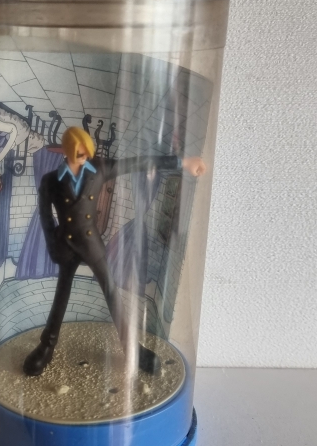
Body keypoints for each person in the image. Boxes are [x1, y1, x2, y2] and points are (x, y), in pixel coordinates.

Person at [23, 127, 205, 377]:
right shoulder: (50, 180)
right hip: (66, 245)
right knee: (61, 296)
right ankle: (46, 347)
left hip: (91, 243)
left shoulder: (99, 168)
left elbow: (138, 162)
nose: (84, 157)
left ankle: (132, 348)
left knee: (111, 293)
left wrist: (182, 162)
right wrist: (52, 244)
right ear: (67, 150)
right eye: (79, 153)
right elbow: (45, 218)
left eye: (87, 153)